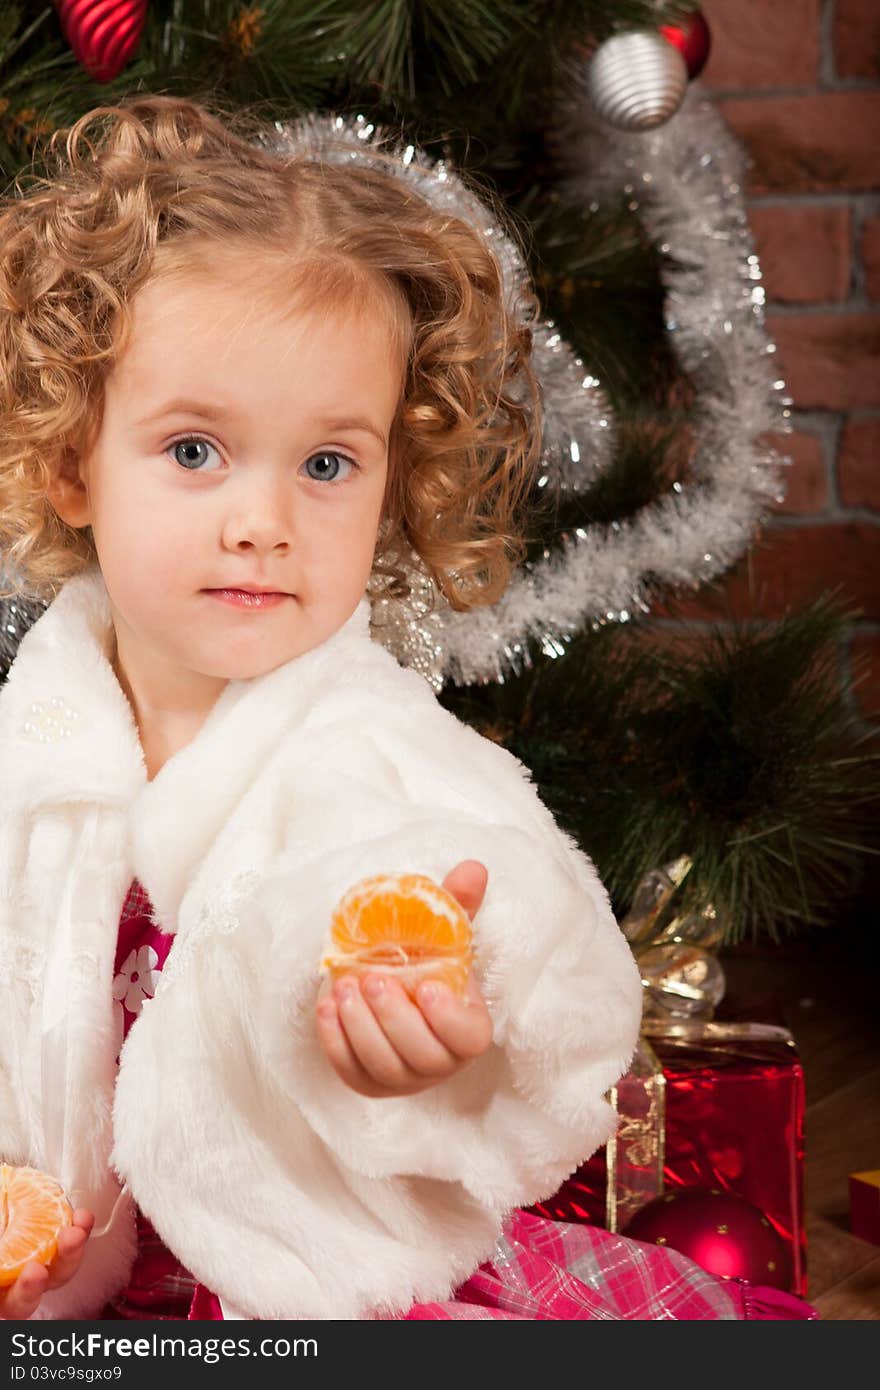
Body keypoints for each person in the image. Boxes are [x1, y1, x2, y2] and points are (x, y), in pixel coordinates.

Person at [0, 94, 812, 1323]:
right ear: (71, 464)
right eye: (194, 451)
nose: (262, 520)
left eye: (327, 465)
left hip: (307, 1274)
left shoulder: (375, 749)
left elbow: (558, 981)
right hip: (69, 1272)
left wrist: (450, 1041)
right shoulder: (36, 732)